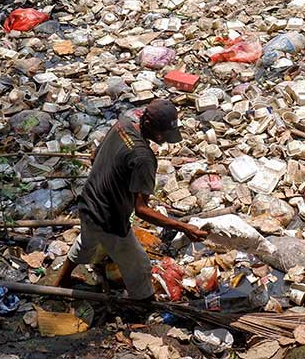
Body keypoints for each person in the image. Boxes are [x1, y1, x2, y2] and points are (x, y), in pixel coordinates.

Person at [54, 99, 207, 299]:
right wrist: (184, 228)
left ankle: (62, 280)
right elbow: (142, 209)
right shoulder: (143, 158)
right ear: (150, 127)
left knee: (87, 241)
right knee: (140, 265)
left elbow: (94, 156)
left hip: (87, 202)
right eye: (162, 134)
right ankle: (143, 303)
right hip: (110, 219)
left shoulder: (122, 124)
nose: (163, 139)